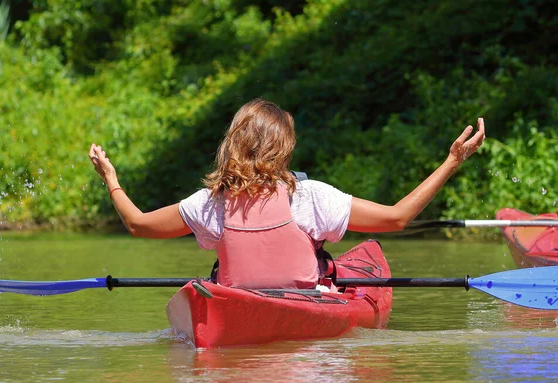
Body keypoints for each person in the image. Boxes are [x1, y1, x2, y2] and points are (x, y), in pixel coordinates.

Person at [89, 98, 485, 289]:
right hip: (307, 310)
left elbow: (138, 225)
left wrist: (111, 178)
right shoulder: (310, 197)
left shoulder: (210, 202)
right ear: (284, 147)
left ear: (234, 143)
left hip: (237, 306)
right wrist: (452, 161)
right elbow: (398, 217)